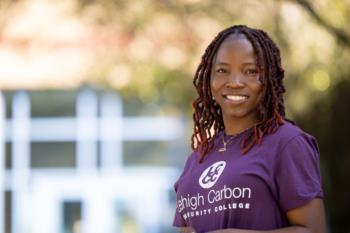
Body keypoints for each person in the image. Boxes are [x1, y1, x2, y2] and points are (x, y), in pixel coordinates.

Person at [173, 25, 326, 233]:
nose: (235, 82)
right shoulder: (197, 158)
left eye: (251, 71)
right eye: (222, 70)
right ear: (209, 79)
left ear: (269, 78)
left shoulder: (287, 143)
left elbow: (314, 231)